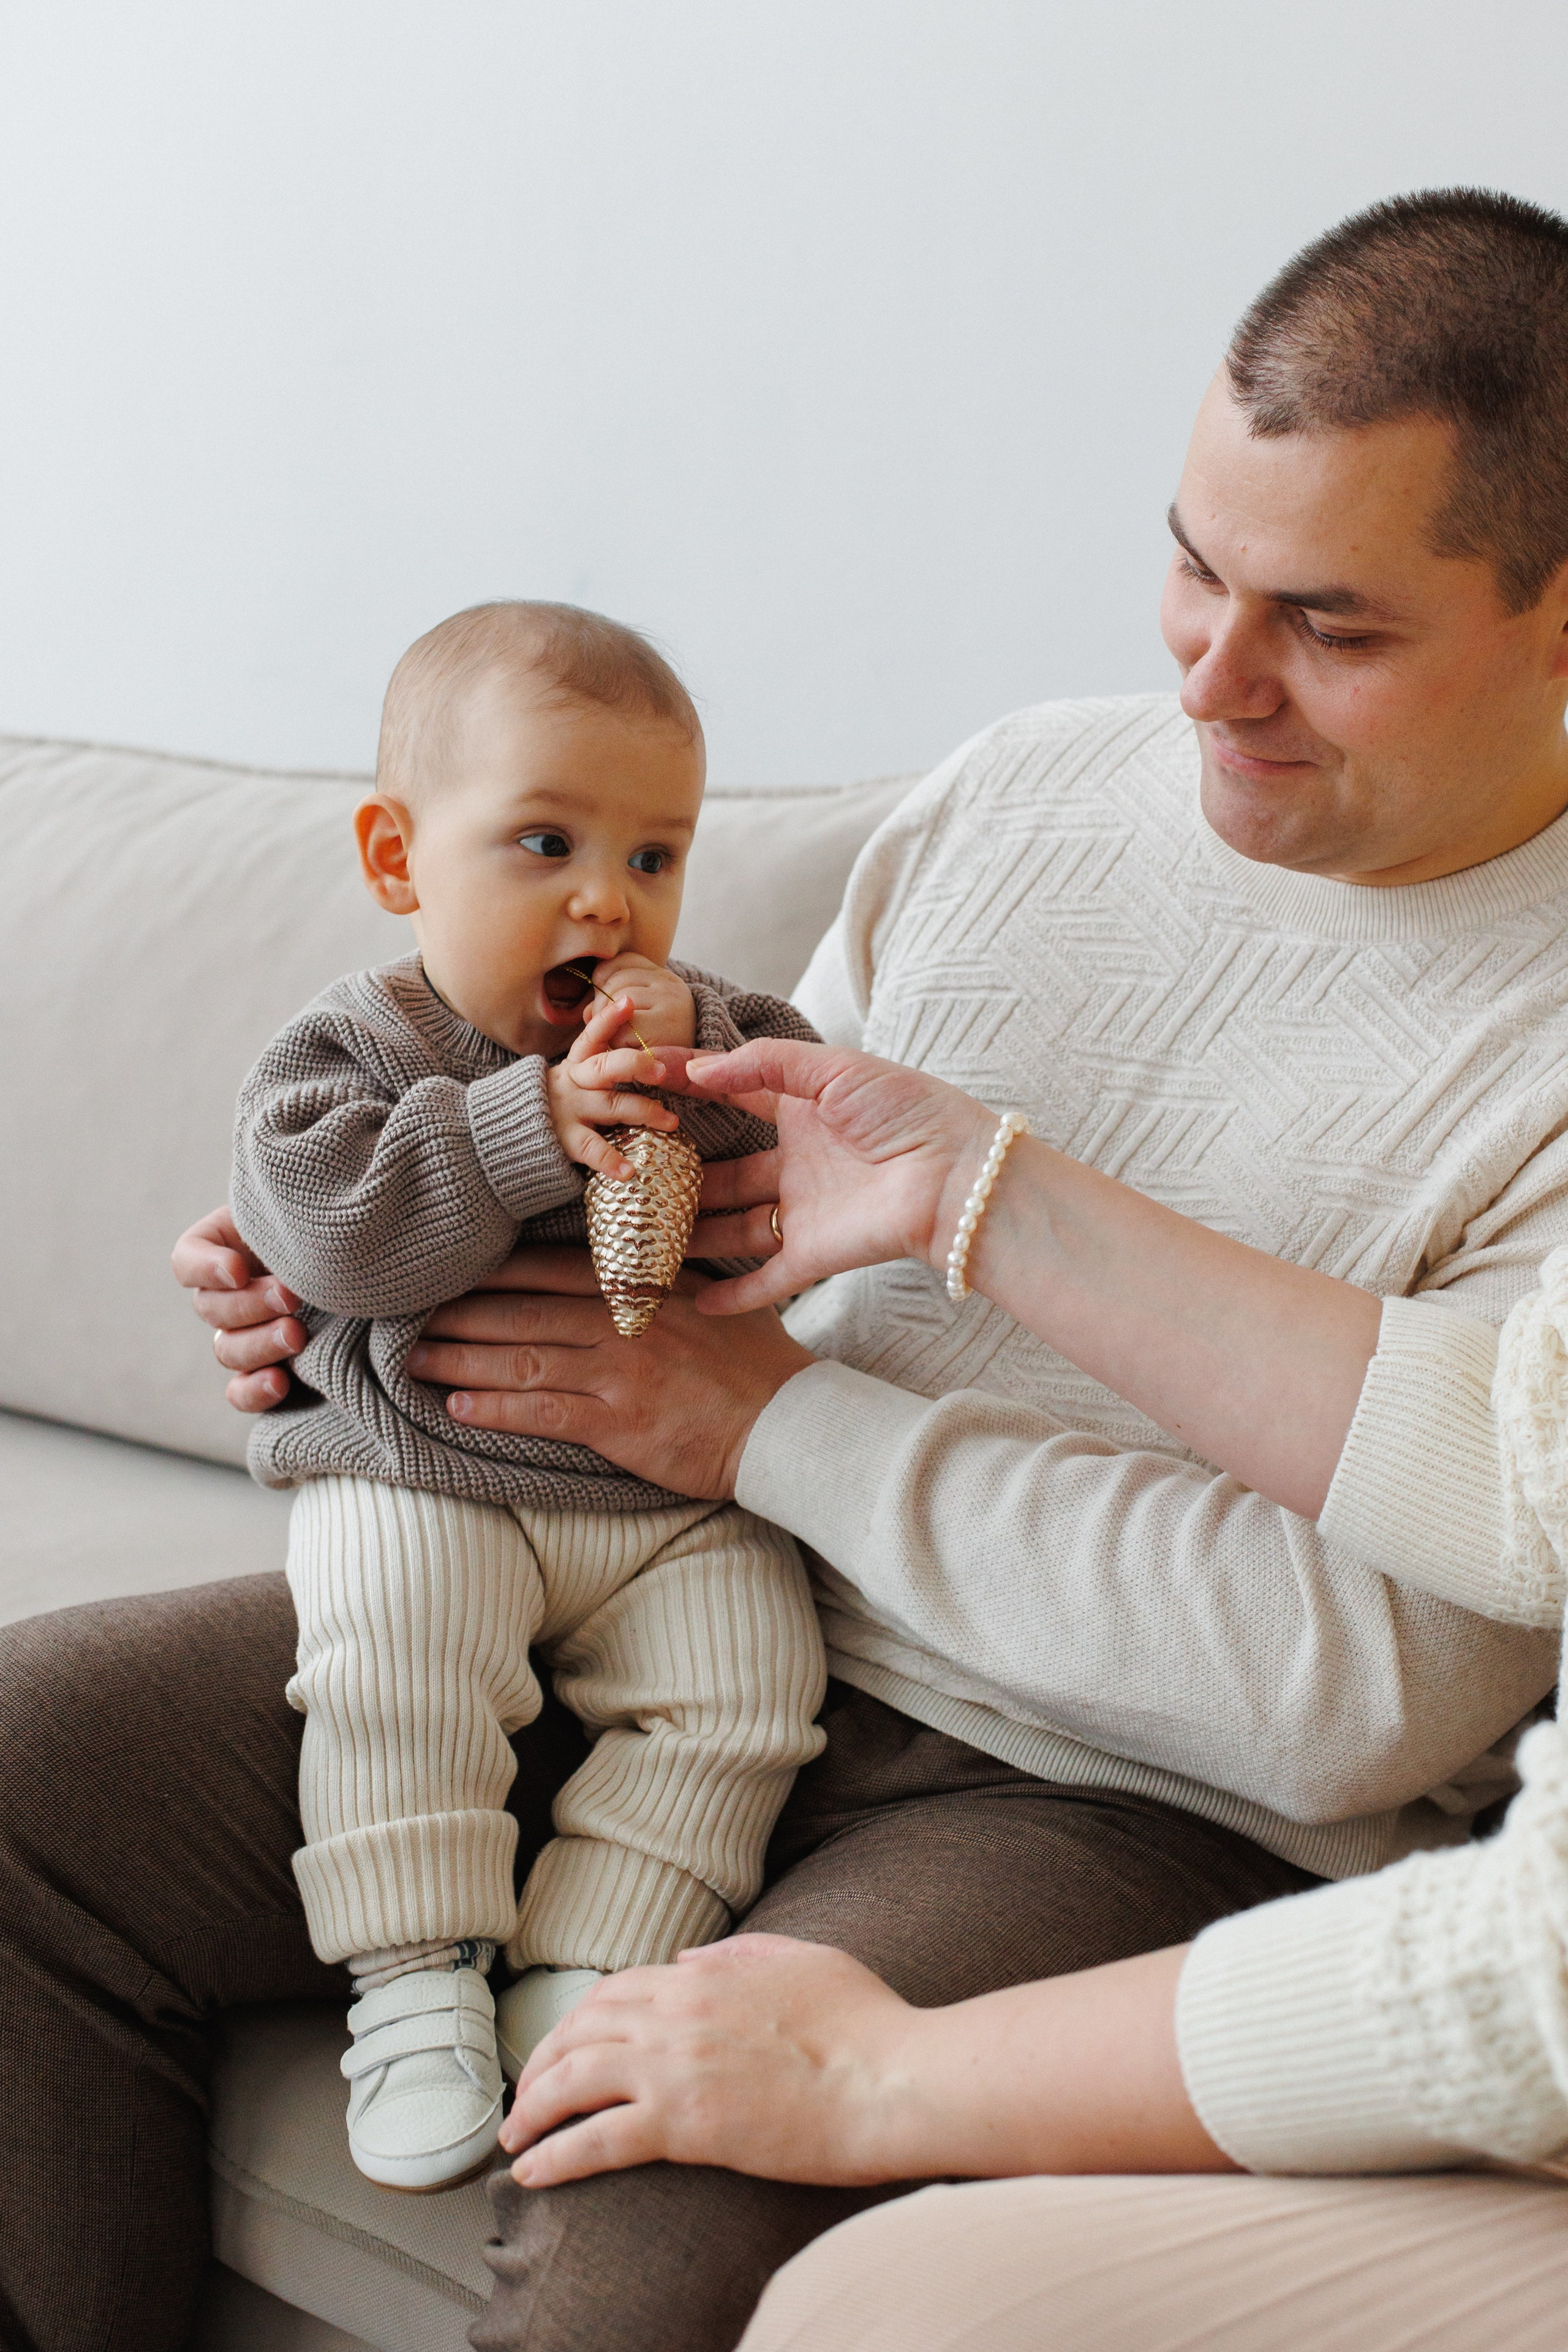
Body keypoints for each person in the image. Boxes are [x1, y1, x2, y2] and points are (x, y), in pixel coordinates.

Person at [4, 183, 1567, 2352]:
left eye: (1332, 624)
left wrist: (775, 1432)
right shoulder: (1023, 794)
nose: (1208, 676)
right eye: (1193, 567)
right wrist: (340, 1279)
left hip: (1110, 1801)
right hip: (660, 1570)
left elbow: (1353, 1703)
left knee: (642, 2183)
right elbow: (706, 1221)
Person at [484, 1029, 1568, 2350]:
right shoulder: (981, 820)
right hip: (712, 1588)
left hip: (1119, 1802)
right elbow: (1526, 1448)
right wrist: (347, 1250)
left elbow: (1408, 1781)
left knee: (797, 2284)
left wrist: (877, 2076)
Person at [225, 599, 824, 2193]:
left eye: (653, 858)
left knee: (752, 1682)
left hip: (657, 1508)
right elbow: (329, 1229)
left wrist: (715, 1075)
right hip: (428, 1467)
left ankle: (589, 1967)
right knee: (395, 1650)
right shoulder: (346, 1046)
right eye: (548, 841)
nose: (607, 903)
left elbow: (799, 1164)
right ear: (399, 857)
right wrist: (522, 1130)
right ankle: (414, 1981)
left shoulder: (702, 1034)